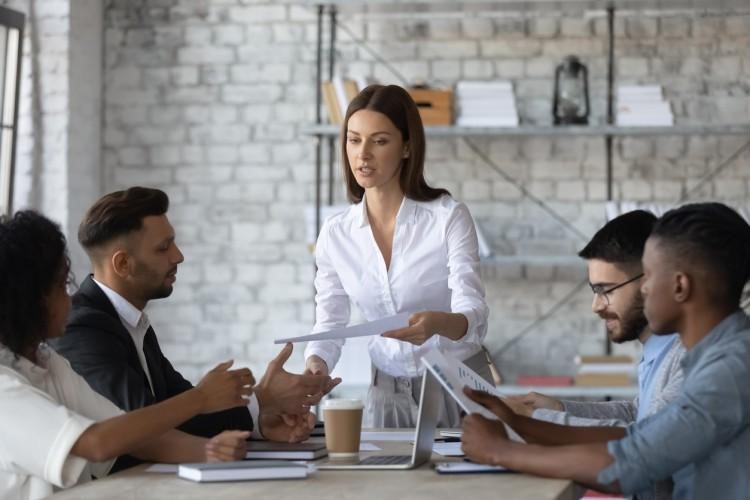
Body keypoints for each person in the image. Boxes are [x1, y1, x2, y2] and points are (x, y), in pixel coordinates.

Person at [461, 202, 750, 499]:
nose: (644, 289)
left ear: (680, 286)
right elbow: (640, 434)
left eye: (648, 276)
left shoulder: (730, 368)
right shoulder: (714, 356)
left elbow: (630, 464)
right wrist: (521, 422)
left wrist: (499, 451)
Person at [52, 187, 338, 472]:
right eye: (163, 248)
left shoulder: (133, 322)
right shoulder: (84, 327)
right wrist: (262, 399)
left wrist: (261, 421)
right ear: (123, 263)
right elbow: (142, 423)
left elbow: (184, 412)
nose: (178, 256)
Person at [0, 211, 252, 500]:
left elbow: (130, 435)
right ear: (30, 299)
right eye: (60, 285)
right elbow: (97, 443)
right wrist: (201, 399)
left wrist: (209, 452)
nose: (70, 296)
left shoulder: (47, 363)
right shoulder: (4, 388)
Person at [303, 84, 490, 428]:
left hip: (456, 384)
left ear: (406, 147)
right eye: (354, 140)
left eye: (380, 141)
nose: (363, 155)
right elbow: (330, 321)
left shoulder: (447, 217)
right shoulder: (336, 233)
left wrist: (438, 323)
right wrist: (317, 364)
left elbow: (474, 315)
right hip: (386, 391)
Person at [507, 210, 685, 431]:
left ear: (649, 281)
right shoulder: (658, 350)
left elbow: (646, 438)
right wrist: (558, 408)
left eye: (605, 290)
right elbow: (638, 414)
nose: (596, 306)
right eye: (595, 290)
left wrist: (536, 418)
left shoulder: (688, 356)